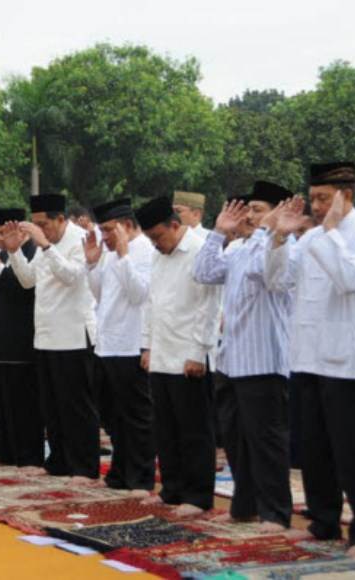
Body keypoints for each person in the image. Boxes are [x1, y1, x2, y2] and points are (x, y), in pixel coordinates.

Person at [265, 162, 355, 557]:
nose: (318, 207)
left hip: (346, 363)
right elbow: (276, 281)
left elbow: (349, 279)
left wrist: (331, 235)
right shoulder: (312, 239)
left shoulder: (350, 234)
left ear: (347, 195)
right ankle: (322, 521)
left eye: (325, 198)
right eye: (315, 198)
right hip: (306, 358)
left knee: (351, 451)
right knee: (315, 448)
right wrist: (279, 240)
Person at [194, 181, 294, 532]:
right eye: (248, 210)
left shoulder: (283, 247)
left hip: (264, 361)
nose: (249, 216)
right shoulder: (237, 248)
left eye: (257, 209)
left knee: (266, 441)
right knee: (236, 438)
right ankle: (246, 505)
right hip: (232, 360)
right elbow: (203, 273)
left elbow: (276, 278)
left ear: (280, 212)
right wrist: (218, 233)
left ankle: (275, 513)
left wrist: (276, 235)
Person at [2, 194, 99, 480]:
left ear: (61, 219)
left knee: (76, 406)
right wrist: (14, 252)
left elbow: (73, 276)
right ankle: (59, 461)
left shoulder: (81, 238)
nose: (39, 229)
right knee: (52, 405)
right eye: (35, 225)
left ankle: (84, 465)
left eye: (44, 224)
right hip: (45, 335)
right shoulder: (44, 246)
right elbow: (28, 280)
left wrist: (44, 245)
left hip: (73, 335)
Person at [136, 196, 220, 517]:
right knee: (166, 427)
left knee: (194, 428)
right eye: (150, 239)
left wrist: (198, 351)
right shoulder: (159, 256)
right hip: (162, 353)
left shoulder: (200, 251)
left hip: (190, 355)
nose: (156, 245)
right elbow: (152, 303)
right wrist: (148, 346)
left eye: (158, 237)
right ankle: (171, 489)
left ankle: (198, 496)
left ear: (175, 225)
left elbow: (209, 307)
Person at [85, 197, 155, 494]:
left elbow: (140, 295)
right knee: (114, 416)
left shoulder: (145, 251)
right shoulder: (111, 254)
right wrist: (92, 263)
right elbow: (101, 294)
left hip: (131, 343)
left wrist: (124, 256)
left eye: (109, 230)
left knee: (136, 417)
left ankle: (140, 476)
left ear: (127, 226)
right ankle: (120, 472)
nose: (105, 237)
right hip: (108, 343)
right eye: (102, 231)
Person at [0, 207, 43, 467]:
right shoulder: (1, 254)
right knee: (0, 402)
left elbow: (22, 289)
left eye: (0, 233)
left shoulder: (31, 252)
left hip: (22, 337)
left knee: (23, 405)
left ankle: (27, 457)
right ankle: (3, 452)